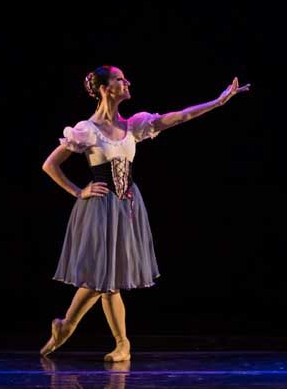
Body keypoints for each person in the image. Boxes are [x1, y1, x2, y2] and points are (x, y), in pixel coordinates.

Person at [40, 65, 250, 361]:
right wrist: (78, 191)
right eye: (119, 79)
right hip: (100, 208)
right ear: (105, 88)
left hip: (126, 206)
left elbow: (180, 116)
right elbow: (50, 165)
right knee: (105, 279)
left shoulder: (133, 125)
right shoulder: (87, 130)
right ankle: (95, 334)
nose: (127, 82)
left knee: (108, 279)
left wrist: (217, 102)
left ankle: (86, 332)